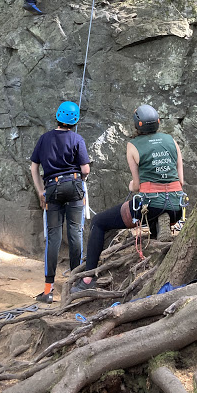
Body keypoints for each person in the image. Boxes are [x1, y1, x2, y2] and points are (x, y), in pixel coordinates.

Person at [71, 104, 185, 293]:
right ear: (158, 122)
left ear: (136, 125)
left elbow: (137, 186)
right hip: (176, 205)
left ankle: (89, 278)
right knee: (158, 210)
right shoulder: (171, 140)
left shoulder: (133, 146)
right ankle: (161, 223)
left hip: (150, 203)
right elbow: (180, 180)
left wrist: (131, 185)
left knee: (99, 222)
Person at [30, 101, 91, 303]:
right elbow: (85, 170)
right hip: (73, 187)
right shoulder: (77, 139)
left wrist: (41, 192)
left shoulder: (44, 139)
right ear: (74, 121)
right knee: (76, 233)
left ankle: (48, 290)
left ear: (57, 116)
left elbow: (34, 167)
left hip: (52, 189)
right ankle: (75, 284)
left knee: (53, 237)